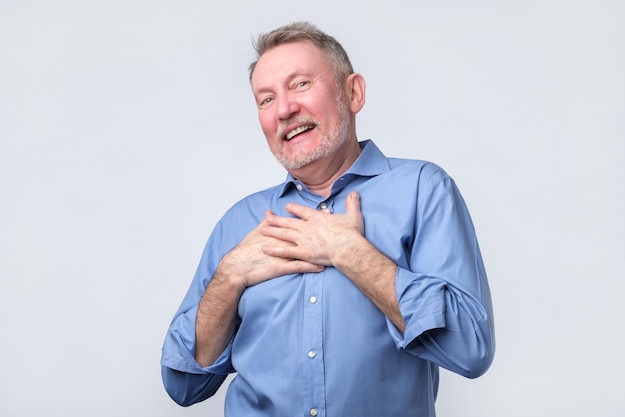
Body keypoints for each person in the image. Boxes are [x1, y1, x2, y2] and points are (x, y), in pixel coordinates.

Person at [161, 21, 495, 417]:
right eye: (266, 99)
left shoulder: (424, 190)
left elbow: (470, 348)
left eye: (300, 84)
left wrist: (354, 255)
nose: (284, 109)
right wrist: (229, 275)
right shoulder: (240, 223)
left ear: (352, 93)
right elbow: (183, 384)